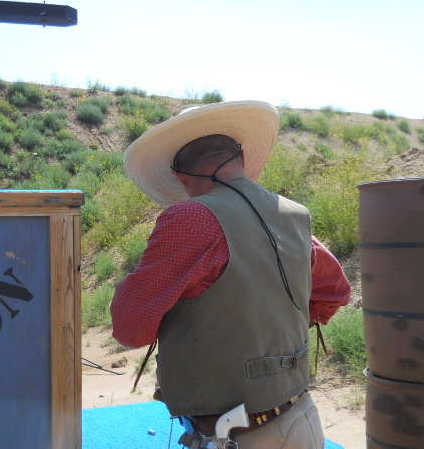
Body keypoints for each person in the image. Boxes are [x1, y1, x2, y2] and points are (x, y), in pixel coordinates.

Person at [110, 101, 351, 449]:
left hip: (234, 436)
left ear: (180, 177)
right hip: (302, 419)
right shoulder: (294, 214)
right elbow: (334, 291)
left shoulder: (191, 218)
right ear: (242, 157)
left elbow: (130, 329)